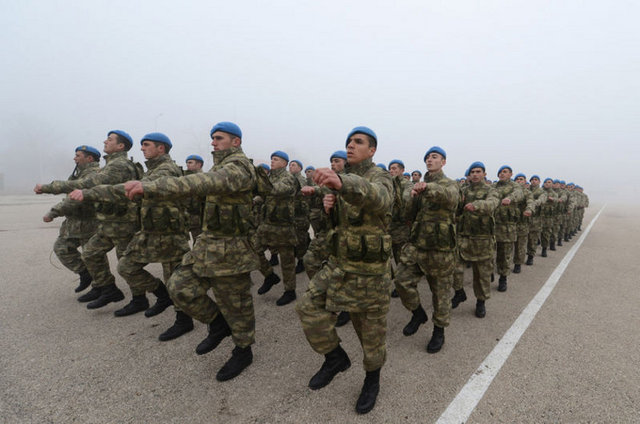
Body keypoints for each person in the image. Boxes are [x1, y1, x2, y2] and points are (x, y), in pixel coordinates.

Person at [124, 121, 260, 381]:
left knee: (236, 306)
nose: (213, 142)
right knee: (178, 287)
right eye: (213, 138)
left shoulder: (240, 167)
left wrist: (153, 186)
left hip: (232, 250)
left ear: (236, 142)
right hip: (207, 245)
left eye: (219, 138)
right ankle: (217, 324)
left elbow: (207, 181)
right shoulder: (220, 166)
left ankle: (243, 351)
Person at [296, 126, 393, 414]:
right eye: (349, 141)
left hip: (369, 273)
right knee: (307, 307)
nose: (351, 145)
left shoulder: (380, 176)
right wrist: (330, 208)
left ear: (372, 150)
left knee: (370, 335)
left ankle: (372, 380)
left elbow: (380, 198)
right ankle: (335, 357)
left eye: (358, 142)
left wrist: (341, 183)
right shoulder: (339, 183)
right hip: (339, 266)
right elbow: (338, 228)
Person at [70, 133, 192, 339]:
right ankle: (162, 295)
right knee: (126, 266)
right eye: (142, 145)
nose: (142, 148)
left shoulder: (166, 169)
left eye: (147, 145)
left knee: (174, 280)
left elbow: (128, 189)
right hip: (151, 231)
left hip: (171, 234)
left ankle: (183, 320)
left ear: (161, 148)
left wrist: (88, 193)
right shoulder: (152, 169)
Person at [35, 130, 140, 308]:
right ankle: (106, 288)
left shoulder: (119, 166)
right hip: (110, 221)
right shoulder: (110, 165)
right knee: (92, 253)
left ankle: (142, 298)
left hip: (121, 222)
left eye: (110, 139)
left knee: (126, 263)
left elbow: (87, 185)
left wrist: (48, 188)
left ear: (121, 146)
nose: (105, 141)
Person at [393, 146, 460, 353]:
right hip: (417, 245)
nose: (430, 160)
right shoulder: (418, 186)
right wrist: (412, 197)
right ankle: (418, 313)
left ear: (443, 161)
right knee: (401, 281)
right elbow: (408, 215)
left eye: (434, 157)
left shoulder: (450, 184)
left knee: (440, 293)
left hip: (440, 249)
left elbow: (450, 198)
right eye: (427, 158)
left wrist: (427, 188)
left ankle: (439, 331)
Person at [42, 145, 100, 293]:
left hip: (89, 223)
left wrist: (53, 212)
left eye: (78, 156)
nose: (74, 158)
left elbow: (74, 200)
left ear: (89, 158)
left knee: (93, 257)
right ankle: (85, 274)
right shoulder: (78, 174)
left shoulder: (93, 175)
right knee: (62, 248)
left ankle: (101, 287)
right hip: (75, 222)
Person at [452, 162, 499, 317]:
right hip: (463, 237)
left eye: (478, 171)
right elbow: (455, 208)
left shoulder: (491, 190)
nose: (475, 174)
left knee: (481, 275)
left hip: (482, 239)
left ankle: (481, 301)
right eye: (472, 172)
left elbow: (492, 203)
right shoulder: (463, 190)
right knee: (453, 268)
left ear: (484, 174)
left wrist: (477, 205)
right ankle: (459, 292)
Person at [255, 150, 299, 306]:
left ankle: (290, 291)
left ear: (284, 163)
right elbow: (264, 196)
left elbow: (277, 189)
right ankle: (269, 275)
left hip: (283, 227)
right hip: (266, 225)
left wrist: (259, 181)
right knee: (254, 250)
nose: (272, 161)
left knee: (287, 261)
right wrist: (255, 199)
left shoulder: (289, 178)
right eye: (271, 159)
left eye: (276, 159)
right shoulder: (270, 178)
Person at [492, 165, 524, 292]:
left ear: (511, 174)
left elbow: (519, 194)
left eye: (505, 172)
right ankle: (489, 272)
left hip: (507, 227)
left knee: (504, 254)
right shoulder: (493, 186)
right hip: (492, 226)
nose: (502, 173)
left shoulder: (515, 186)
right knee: (488, 253)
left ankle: (503, 278)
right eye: (500, 172)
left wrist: (510, 198)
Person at [289, 159, 311, 274]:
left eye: (293, 165)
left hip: (300, 216)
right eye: (290, 165)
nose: (290, 167)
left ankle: (302, 262)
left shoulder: (300, 179)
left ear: (300, 168)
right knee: (295, 238)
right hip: (292, 215)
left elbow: (303, 196)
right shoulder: (290, 179)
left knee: (300, 240)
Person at [512, 173, 534, 274]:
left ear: (525, 181)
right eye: (517, 179)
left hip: (522, 223)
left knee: (520, 245)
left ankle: (518, 263)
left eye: (521, 179)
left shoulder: (527, 193)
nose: (519, 181)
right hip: (509, 223)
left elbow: (531, 202)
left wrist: (529, 209)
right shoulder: (510, 192)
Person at [526, 175, 547, 265]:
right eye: (532, 180)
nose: (534, 181)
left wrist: (532, 203)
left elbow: (541, 200)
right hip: (524, 218)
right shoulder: (526, 190)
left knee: (533, 239)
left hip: (535, 219)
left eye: (536, 180)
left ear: (539, 182)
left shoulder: (542, 192)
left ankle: (530, 256)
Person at [185, 154, 205, 241]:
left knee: (198, 241)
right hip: (187, 216)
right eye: (187, 163)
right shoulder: (185, 178)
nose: (187, 165)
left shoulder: (204, 179)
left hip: (198, 217)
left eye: (190, 163)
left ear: (199, 164)